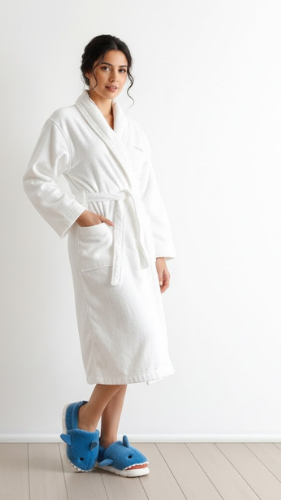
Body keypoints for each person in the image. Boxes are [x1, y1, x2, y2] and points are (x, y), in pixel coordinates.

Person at [22, 34, 176, 477]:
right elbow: (36, 178)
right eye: (106, 67)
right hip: (102, 238)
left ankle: (107, 443)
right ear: (89, 70)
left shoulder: (132, 129)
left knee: (124, 344)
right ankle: (86, 419)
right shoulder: (66, 121)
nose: (115, 78)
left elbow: (147, 191)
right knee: (129, 337)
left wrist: (160, 251)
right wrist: (79, 214)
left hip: (137, 243)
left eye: (122, 70)